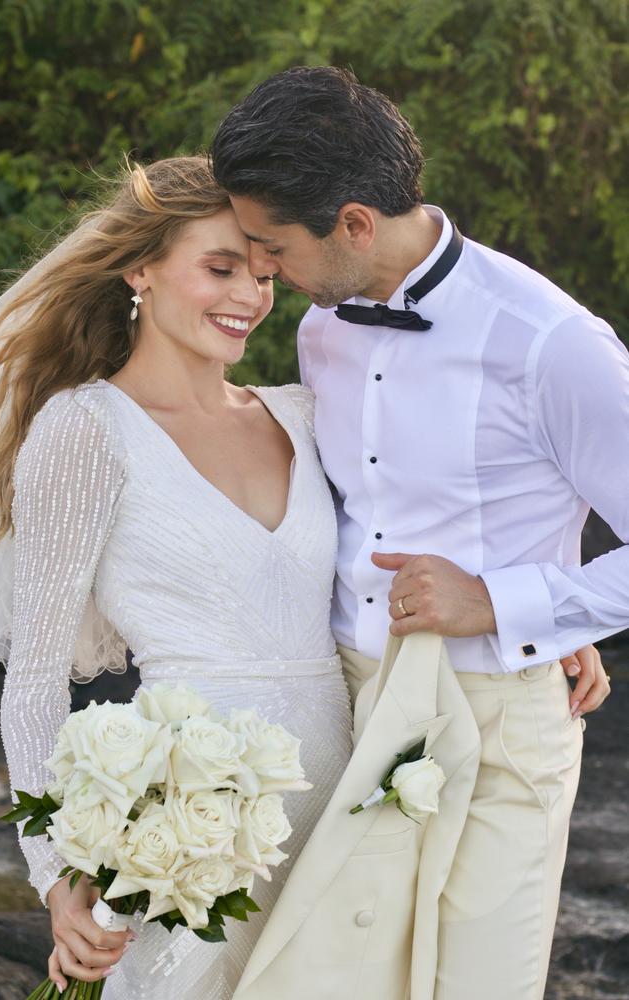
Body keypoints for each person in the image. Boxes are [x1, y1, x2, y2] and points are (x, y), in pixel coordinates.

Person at [210, 66, 621, 999]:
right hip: (349, 705)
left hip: (502, 717)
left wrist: (514, 603)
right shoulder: (323, 329)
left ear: (353, 222)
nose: (266, 271)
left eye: (273, 246)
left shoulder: (551, 342)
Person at [0, 155, 354, 998]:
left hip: (342, 814)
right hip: (186, 836)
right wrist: (55, 871)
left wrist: (544, 631)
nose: (250, 298)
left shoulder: (303, 412)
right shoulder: (85, 430)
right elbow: (34, 680)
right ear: (139, 268)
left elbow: (415, 544)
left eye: (262, 274)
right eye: (219, 268)